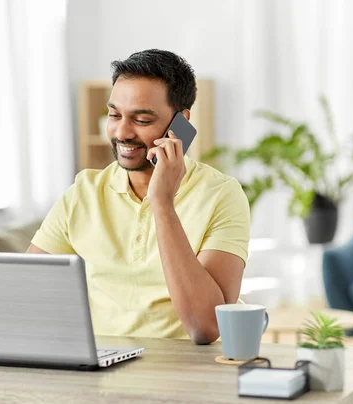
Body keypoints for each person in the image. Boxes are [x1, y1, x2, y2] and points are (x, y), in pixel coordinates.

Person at [27, 49, 250, 344]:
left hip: (190, 373)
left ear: (180, 123)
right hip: (103, 370)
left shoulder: (221, 195)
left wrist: (162, 203)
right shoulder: (85, 191)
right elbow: (28, 291)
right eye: (114, 115)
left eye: (142, 120)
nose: (122, 132)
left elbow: (206, 326)